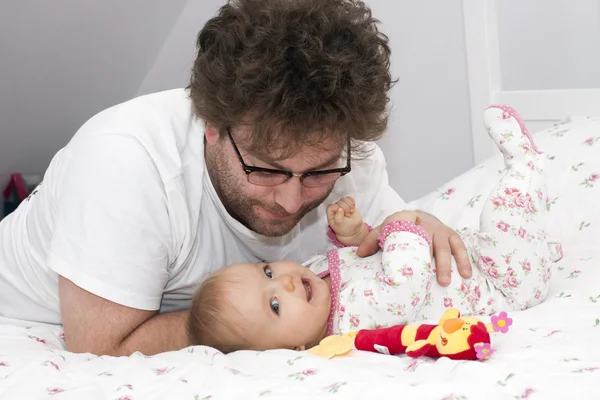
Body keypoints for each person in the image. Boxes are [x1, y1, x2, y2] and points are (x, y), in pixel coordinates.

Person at [0, 0, 471, 356]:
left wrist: (416, 228)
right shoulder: (126, 161)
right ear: (211, 125)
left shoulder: (352, 159)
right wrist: (242, 324)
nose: (289, 201)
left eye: (317, 173)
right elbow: (101, 347)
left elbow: (384, 255)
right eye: (265, 168)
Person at [187, 105, 562, 353]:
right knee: (500, 216)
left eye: (267, 271)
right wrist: (398, 227)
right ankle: (526, 167)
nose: (283, 282)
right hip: (506, 284)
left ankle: (540, 245)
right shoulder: (352, 319)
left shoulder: (318, 282)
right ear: (292, 351)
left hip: (474, 261)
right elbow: (405, 282)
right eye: (274, 305)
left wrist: (354, 234)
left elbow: (366, 257)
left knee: (485, 230)